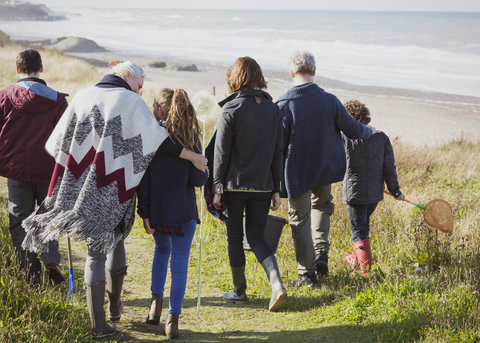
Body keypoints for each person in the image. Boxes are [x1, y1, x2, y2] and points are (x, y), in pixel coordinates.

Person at [21, 61, 207, 339]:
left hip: (77, 189)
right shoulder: (130, 101)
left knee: (96, 253)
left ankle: (100, 324)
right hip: (113, 190)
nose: (140, 92)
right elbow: (159, 141)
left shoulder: (82, 95)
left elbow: (55, 143)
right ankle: (113, 312)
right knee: (112, 242)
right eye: (139, 86)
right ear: (128, 76)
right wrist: (193, 156)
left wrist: (78, 167)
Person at [276, 50, 377, 288]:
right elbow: (353, 129)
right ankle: (321, 254)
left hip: (297, 172)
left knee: (298, 219)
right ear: (314, 71)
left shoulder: (283, 103)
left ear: (291, 73)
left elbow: (277, 147)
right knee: (321, 206)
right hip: (325, 167)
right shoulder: (330, 100)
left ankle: (307, 274)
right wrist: (371, 131)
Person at [210, 56, 287, 312]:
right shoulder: (273, 109)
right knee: (256, 237)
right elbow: (278, 153)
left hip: (233, 186)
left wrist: (217, 188)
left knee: (235, 237)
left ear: (235, 78)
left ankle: (240, 292)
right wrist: (276, 187)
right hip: (264, 185)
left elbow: (221, 153)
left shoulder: (231, 109)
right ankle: (277, 285)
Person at [137, 88, 208, 340]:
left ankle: (155, 305)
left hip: (158, 212)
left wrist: (144, 212)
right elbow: (198, 180)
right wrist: (203, 163)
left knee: (161, 251)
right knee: (179, 267)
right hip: (184, 212)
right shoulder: (191, 138)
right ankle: (172, 321)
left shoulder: (152, 137)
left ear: (161, 109)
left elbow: (143, 180)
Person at [0, 48, 67, 286]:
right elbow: (66, 139)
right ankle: (50, 259)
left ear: (17, 69)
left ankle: (30, 273)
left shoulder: (5, 97)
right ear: (41, 68)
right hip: (49, 171)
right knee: (48, 217)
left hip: (16, 170)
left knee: (19, 222)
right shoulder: (58, 100)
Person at [342, 100, 404, 276]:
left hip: (355, 195)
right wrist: (395, 190)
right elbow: (389, 169)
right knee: (363, 228)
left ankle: (366, 273)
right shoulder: (381, 137)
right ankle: (354, 258)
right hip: (374, 195)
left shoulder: (344, 137)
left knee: (359, 232)